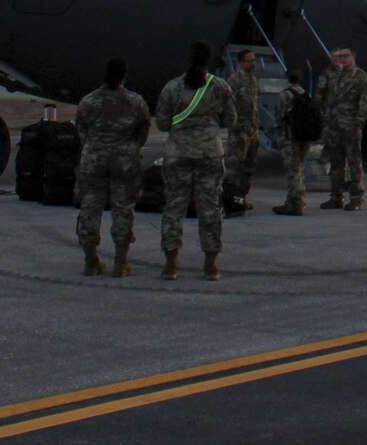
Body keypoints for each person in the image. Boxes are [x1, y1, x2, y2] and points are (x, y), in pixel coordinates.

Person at [152, 40, 238, 280]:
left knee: (174, 208)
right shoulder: (220, 86)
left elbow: (162, 123)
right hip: (209, 153)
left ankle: (171, 263)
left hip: (177, 154)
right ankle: (211, 264)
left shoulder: (172, 87)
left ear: (189, 58)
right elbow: (231, 120)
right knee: (209, 209)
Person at [73, 57, 150, 277]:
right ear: (125, 75)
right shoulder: (135, 101)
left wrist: (95, 147)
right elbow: (143, 131)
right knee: (123, 209)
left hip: (94, 159)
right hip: (123, 161)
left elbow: (82, 131)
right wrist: (130, 148)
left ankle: (90, 260)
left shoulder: (88, 101)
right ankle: (120, 262)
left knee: (90, 208)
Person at [316, 46, 367, 211]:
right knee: (336, 164)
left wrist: (358, 124)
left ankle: (356, 198)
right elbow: (328, 100)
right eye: (340, 56)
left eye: (345, 56)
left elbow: (364, 103)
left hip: (350, 127)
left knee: (354, 163)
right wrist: (326, 120)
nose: (342, 59)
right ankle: (336, 197)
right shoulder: (336, 76)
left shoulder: (361, 77)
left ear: (353, 57)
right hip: (334, 127)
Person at [272, 64, 323, 216]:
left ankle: (295, 203)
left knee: (292, 172)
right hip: (304, 138)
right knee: (299, 170)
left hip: (290, 138)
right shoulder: (305, 94)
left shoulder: (285, 95)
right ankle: (295, 201)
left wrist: (277, 135)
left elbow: (279, 117)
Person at [224, 48, 261, 215]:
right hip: (239, 132)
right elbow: (229, 106)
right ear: (240, 62)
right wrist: (237, 127)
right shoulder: (234, 80)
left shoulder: (254, 81)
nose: (253, 63)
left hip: (253, 130)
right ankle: (229, 199)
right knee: (234, 167)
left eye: (254, 60)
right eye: (249, 60)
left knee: (249, 167)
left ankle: (241, 197)